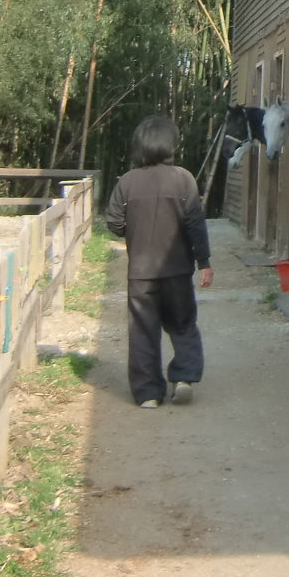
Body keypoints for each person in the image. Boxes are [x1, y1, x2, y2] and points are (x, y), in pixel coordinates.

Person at [102, 115, 212, 409]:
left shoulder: (127, 181)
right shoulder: (184, 179)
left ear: (141, 145)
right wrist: (204, 262)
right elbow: (195, 224)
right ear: (169, 145)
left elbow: (113, 221)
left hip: (140, 274)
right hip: (178, 270)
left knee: (142, 331)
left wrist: (132, 231)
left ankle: (148, 393)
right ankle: (184, 378)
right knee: (183, 324)